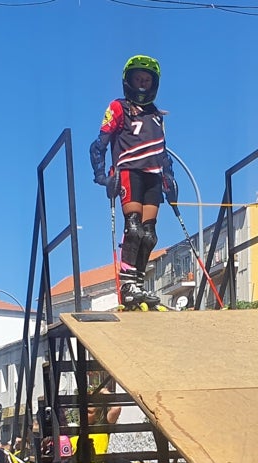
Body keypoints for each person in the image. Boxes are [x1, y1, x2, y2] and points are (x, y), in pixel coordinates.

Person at [89, 54, 177, 310]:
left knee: (149, 236)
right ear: (128, 81)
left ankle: (138, 284)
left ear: (153, 84)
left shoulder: (157, 116)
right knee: (135, 229)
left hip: (153, 175)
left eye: (146, 80)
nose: (141, 84)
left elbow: (162, 150)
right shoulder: (119, 107)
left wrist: (169, 176)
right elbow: (99, 144)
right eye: (137, 79)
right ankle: (127, 286)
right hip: (129, 171)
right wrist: (102, 176)